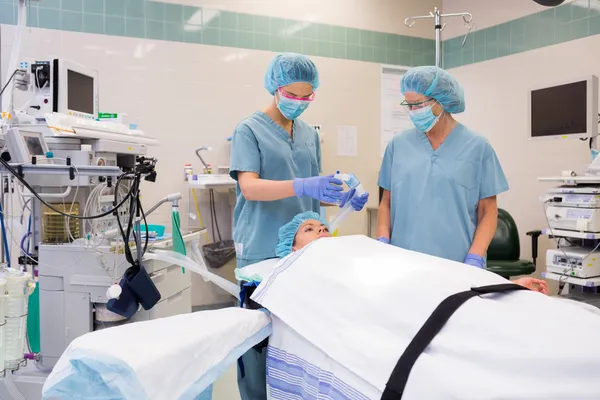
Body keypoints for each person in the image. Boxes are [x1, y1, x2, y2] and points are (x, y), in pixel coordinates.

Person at [229, 52, 369, 400]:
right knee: (257, 344)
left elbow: (311, 192)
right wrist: (304, 185)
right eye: (292, 95)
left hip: (305, 253)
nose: (299, 103)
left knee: (297, 340)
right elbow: (250, 187)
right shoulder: (249, 129)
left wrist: (341, 199)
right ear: (275, 88)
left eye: (306, 97)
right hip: (263, 245)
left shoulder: (308, 133)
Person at [378, 66, 509, 270]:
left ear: (440, 102)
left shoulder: (477, 147)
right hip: (403, 261)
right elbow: (386, 202)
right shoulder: (398, 145)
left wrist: (474, 257)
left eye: (418, 105)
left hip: (457, 264)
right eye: (408, 105)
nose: (413, 112)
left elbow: (488, 212)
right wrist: (382, 240)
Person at [277, 211, 548, 294]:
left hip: (398, 276)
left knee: (434, 274)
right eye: (310, 230)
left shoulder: (351, 247)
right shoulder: (304, 273)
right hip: (382, 291)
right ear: (294, 248)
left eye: (323, 226)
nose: (321, 229)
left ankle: (505, 286)